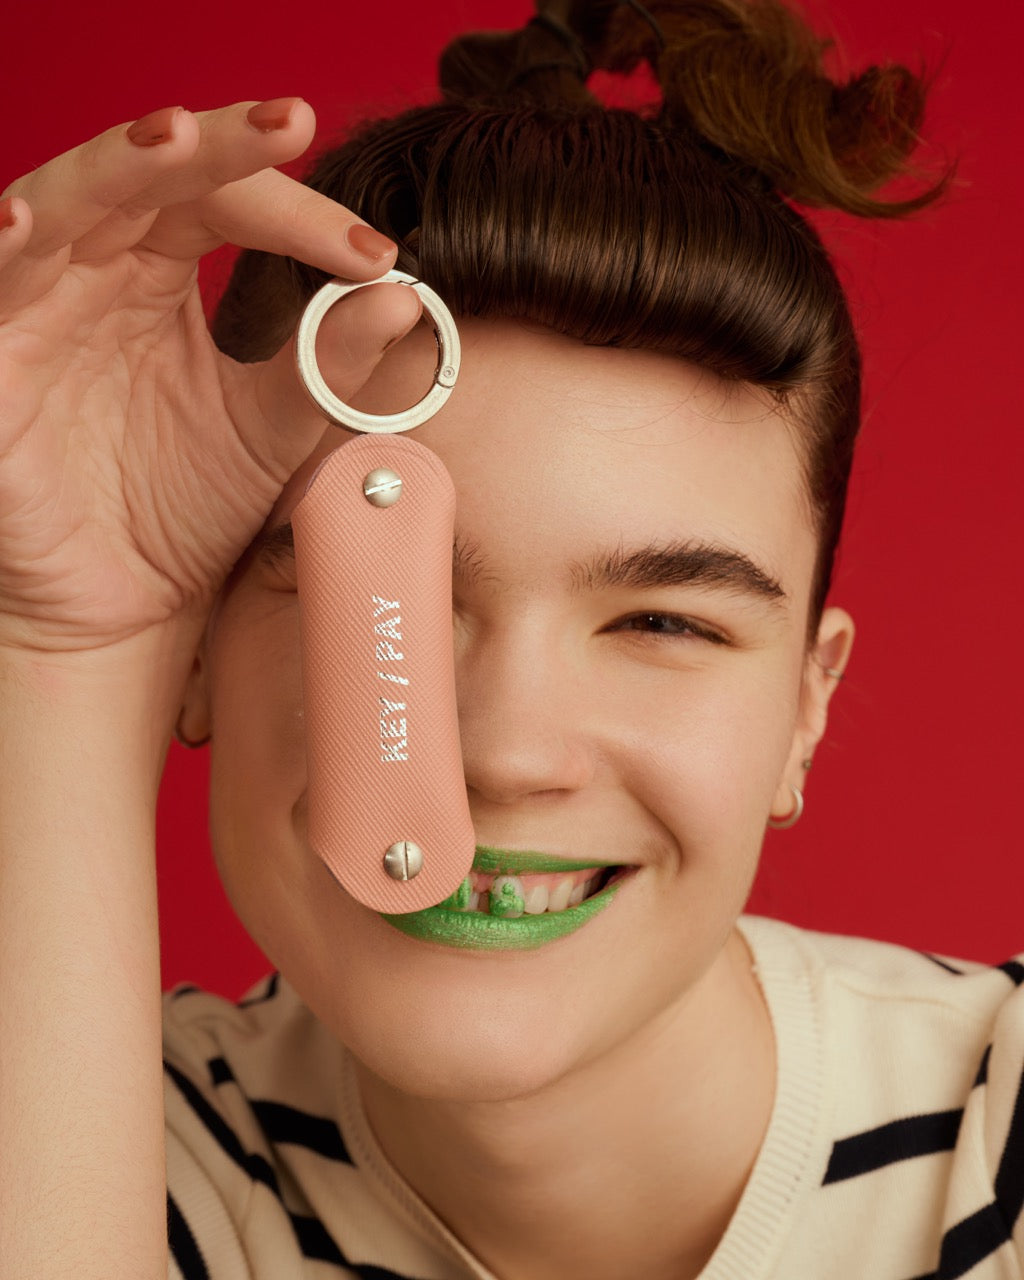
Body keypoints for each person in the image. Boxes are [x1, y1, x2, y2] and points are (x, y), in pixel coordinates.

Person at [0, 2, 1020, 1278]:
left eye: (663, 620)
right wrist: (66, 644)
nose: (502, 753)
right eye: (378, 593)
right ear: (194, 640)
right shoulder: (84, 1141)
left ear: (804, 709)